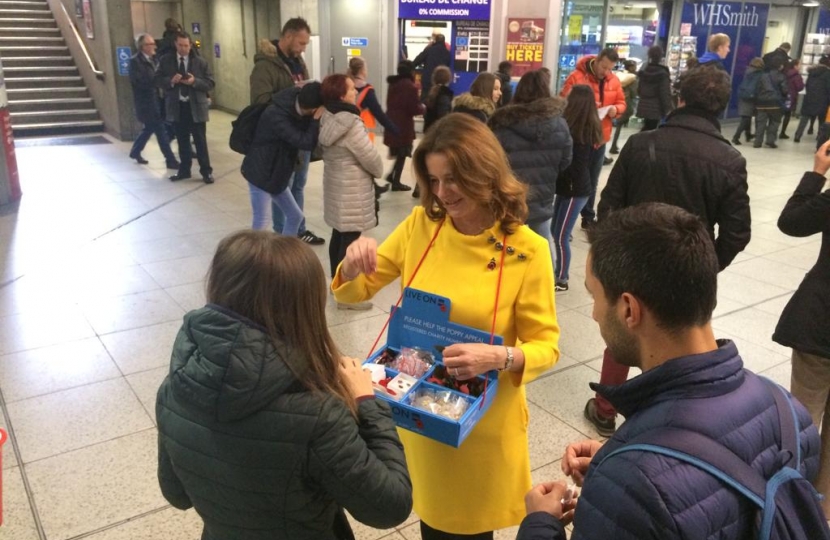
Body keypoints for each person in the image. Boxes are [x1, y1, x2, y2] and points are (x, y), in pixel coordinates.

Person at [515, 202, 821, 540]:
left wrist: (540, 523)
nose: (594, 314)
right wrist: (619, 466)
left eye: (595, 297)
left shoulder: (632, 483)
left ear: (629, 309)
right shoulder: (790, 413)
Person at [333, 113, 559, 538]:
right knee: (433, 522)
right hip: (423, 412)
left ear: (485, 173)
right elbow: (356, 290)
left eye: (453, 179)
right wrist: (350, 262)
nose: (442, 193)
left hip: (480, 423)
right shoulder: (423, 227)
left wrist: (499, 355)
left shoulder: (528, 251)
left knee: (468, 529)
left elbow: (546, 346)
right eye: (434, 181)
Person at [156, 230, 413, 540]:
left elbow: (177, 495)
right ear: (304, 307)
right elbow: (390, 506)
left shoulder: (173, 389)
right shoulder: (318, 413)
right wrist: (367, 404)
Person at [584, 65, 751, 437]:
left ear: (679, 99)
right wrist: (701, 264)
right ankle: (664, 421)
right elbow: (738, 233)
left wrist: (612, 259)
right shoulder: (729, 160)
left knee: (622, 333)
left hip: (631, 261)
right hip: (686, 272)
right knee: (679, 344)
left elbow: (608, 207)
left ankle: (606, 408)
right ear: (722, 107)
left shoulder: (642, 144)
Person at [773, 139, 830, 516]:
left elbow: (791, 222)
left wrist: (816, 173)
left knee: (804, 418)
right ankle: (822, 511)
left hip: (821, 324)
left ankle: (790, 505)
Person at [249, 18, 325, 245]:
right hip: (281, 139)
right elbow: (260, 103)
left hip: (300, 134)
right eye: (301, 43)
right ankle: (281, 233)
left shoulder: (298, 62)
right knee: (283, 185)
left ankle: (297, 231)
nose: (303, 48)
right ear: (289, 36)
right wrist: (293, 93)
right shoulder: (265, 65)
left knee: (298, 185)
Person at [318, 74, 384, 310]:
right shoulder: (350, 122)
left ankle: (335, 285)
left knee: (339, 235)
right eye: (350, 89)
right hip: (353, 190)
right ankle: (346, 296)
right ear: (341, 95)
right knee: (351, 242)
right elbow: (370, 158)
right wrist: (379, 169)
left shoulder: (328, 117)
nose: (355, 91)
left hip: (337, 187)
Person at [489, 70, 572, 247]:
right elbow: (566, 160)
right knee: (542, 244)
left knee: (503, 247)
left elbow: (491, 161)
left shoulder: (501, 123)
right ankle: (548, 275)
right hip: (542, 198)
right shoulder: (559, 124)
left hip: (509, 199)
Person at [241, 83, 323, 234]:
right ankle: (253, 257)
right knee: (261, 220)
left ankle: (286, 254)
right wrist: (315, 120)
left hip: (276, 172)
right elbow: (305, 142)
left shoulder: (295, 104)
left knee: (295, 216)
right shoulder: (276, 115)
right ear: (313, 110)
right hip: (260, 172)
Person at [559, 47, 626, 229]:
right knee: (573, 177)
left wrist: (616, 110)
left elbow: (622, 102)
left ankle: (587, 215)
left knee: (593, 179)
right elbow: (564, 101)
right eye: (603, 67)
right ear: (596, 60)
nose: (605, 72)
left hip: (600, 136)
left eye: (609, 68)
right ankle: (565, 218)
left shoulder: (614, 81)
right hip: (578, 136)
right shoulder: (577, 77)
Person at [551, 85, 603, 292]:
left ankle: (562, 278)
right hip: (573, 188)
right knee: (556, 232)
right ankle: (558, 272)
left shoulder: (573, 132)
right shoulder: (590, 129)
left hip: (574, 191)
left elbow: (569, 165)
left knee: (561, 235)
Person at [155, 31, 215, 184]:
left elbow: (210, 83)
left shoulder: (200, 62)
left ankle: (206, 171)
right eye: (181, 45)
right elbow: (157, 79)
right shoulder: (166, 60)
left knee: (200, 141)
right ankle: (184, 170)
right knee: (182, 141)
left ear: (190, 45)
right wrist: (171, 81)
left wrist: (194, 81)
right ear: (175, 44)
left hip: (195, 106)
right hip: (177, 106)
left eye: (186, 46)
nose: (184, 49)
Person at [347, 57, 399, 197]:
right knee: (366, 160)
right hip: (363, 131)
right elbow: (378, 113)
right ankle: (371, 188)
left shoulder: (345, 86)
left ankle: (371, 186)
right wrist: (393, 129)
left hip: (346, 130)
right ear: (362, 70)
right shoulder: (366, 90)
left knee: (353, 161)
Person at [128, 33, 179, 170]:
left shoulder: (155, 59)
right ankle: (170, 159)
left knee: (149, 129)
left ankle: (135, 151)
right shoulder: (135, 62)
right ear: (142, 46)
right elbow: (139, 82)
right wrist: (157, 82)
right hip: (147, 103)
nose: (153, 46)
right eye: (149, 44)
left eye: (153, 43)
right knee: (161, 131)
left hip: (158, 100)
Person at [384, 60, 425, 192]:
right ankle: (396, 182)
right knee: (402, 152)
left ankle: (392, 176)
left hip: (392, 121)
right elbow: (413, 108)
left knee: (400, 151)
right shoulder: (410, 87)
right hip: (404, 124)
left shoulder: (393, 84)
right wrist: (423, 107)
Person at [419, 65, 454, 199]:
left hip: (428, 131)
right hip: (438, 134)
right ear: (448, 79)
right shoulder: (444, 95)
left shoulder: (432, 92)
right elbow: (443, 115)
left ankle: (420, 187)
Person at [754, 57, 788, 149]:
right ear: (780, 66)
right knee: (774, 122)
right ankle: (770, 141)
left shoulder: (763, 75)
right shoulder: (781, 76)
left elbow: (757, 88)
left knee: (761, 122)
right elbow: (785, 90)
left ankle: (757, 142)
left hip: (761, 102)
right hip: (775, 103)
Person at [794, 55, 830, 143]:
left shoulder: (812, 72)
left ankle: (797, 135)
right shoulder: (828, 74)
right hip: (823, 99)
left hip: (809, 98)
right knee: (822, 120)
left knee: (804, 118)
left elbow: (808, 84)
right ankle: (820, 137)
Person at [636, 45, 672, 132]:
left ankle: (640, 144)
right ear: (660, 57)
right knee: (652, 130)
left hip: (644, 105)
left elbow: (639, 90)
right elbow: (664, 93)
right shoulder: (663, 73)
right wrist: (668, 109)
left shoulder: (644, 71)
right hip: (656, 107)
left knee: (647, 128)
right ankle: (641, 145)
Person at [731, 57, 764, 146]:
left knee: (747, 117)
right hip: (752, 97)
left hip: (743, 95)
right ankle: (736, 137)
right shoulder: (760, 74)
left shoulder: (748, 71)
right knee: (746, 118)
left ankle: (748, 135)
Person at [609, 60, 637, 154]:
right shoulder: (632, 78)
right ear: (630, 67)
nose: (635, 68)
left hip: (617, 102)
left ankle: (613, 145)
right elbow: (634, 93)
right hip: (627, 103)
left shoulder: (619, 76)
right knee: (620, 125)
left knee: (618, 125)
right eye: (634, 66)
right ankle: (614, 146)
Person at [412, 33, 451, 101]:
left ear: (435, 41)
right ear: (444, 42)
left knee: (425, 98)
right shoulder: (447, 53)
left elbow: (416, 61)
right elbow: (449, 65)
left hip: (427, 80)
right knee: (439, 99)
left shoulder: (429, 50)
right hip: (440, 81)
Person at [780, 58, 804, 139]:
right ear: (795, 65)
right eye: (800, 64)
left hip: (782, 95)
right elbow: (799, 87)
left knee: (778, 114)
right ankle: (782, 132)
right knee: (787, 115)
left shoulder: (784, 73)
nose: (800, 66)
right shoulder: (796, 75)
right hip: (791, 96)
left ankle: (773, 130)